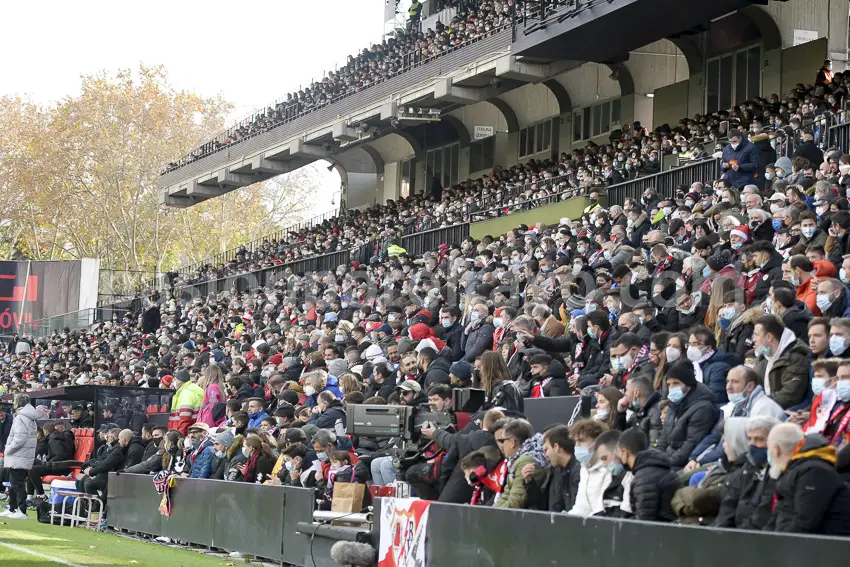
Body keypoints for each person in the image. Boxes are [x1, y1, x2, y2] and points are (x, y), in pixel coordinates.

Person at [765, 423, 850, 534]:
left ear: (776, 450)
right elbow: (779, 514)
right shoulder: (795, 469)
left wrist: (778, 546)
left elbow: (805, 522)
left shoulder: (814, 472)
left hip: (824, 548)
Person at [714, 416, 779, 530]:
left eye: (759, 439)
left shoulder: (778, 472)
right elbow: (728, 507)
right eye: (749, 439)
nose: (753, 444)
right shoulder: (746, 467)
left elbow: (762, 516)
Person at [659, 361, 720, 468]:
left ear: (689, 386)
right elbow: (663, 438)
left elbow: (690, 444)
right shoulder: (674, 404)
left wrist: (663, 464)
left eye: (676, 383)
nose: (672, 387)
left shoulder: (703, 408)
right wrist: (654, 458)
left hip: (682, 464)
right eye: (669, 384)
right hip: (668, 459)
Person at [617, 428, 677, 522]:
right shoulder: (655, 469)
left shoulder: (644, 479)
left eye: (619, 452)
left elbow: (644, 523)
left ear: (625, 452)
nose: (619, 456)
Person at [752, 315, 811, 409]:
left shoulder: (795, 359)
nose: (753, 339)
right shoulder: (763, 360)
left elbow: (789, 396)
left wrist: (758, 404)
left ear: (769, 337)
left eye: (756, 335)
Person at [523, 425, 581, 512]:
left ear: (556, 447)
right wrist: (530, 482)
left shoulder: (579, 471)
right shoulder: (557, 471)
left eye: (546, 449)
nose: (545, 455)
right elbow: (547, 505)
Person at [0, 395, 39, 520]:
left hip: (18, 455)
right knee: (13, 484)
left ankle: (22, 511)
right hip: (23, 455)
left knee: (18, 484)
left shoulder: (21, 418)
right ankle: (13, 508)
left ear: (18, 403)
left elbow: (20, 439)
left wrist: (8, 449)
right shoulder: (29, 417)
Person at [493, 419, 546, 509]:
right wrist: (490, 512)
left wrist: (491, 517)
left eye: (503, 441)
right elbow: (506, 495)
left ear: (512, 443)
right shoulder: (517, 460)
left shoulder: (525, 461)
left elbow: (516, 502)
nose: (501, 445)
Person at [168, 369, 204, 435]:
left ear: (180, 381)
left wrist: (180, 436)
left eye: (175, 379)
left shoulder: (186, 393)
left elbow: (185, 419)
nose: (173, 382)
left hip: (186, 433)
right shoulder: (192, 390)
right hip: (193, 430)